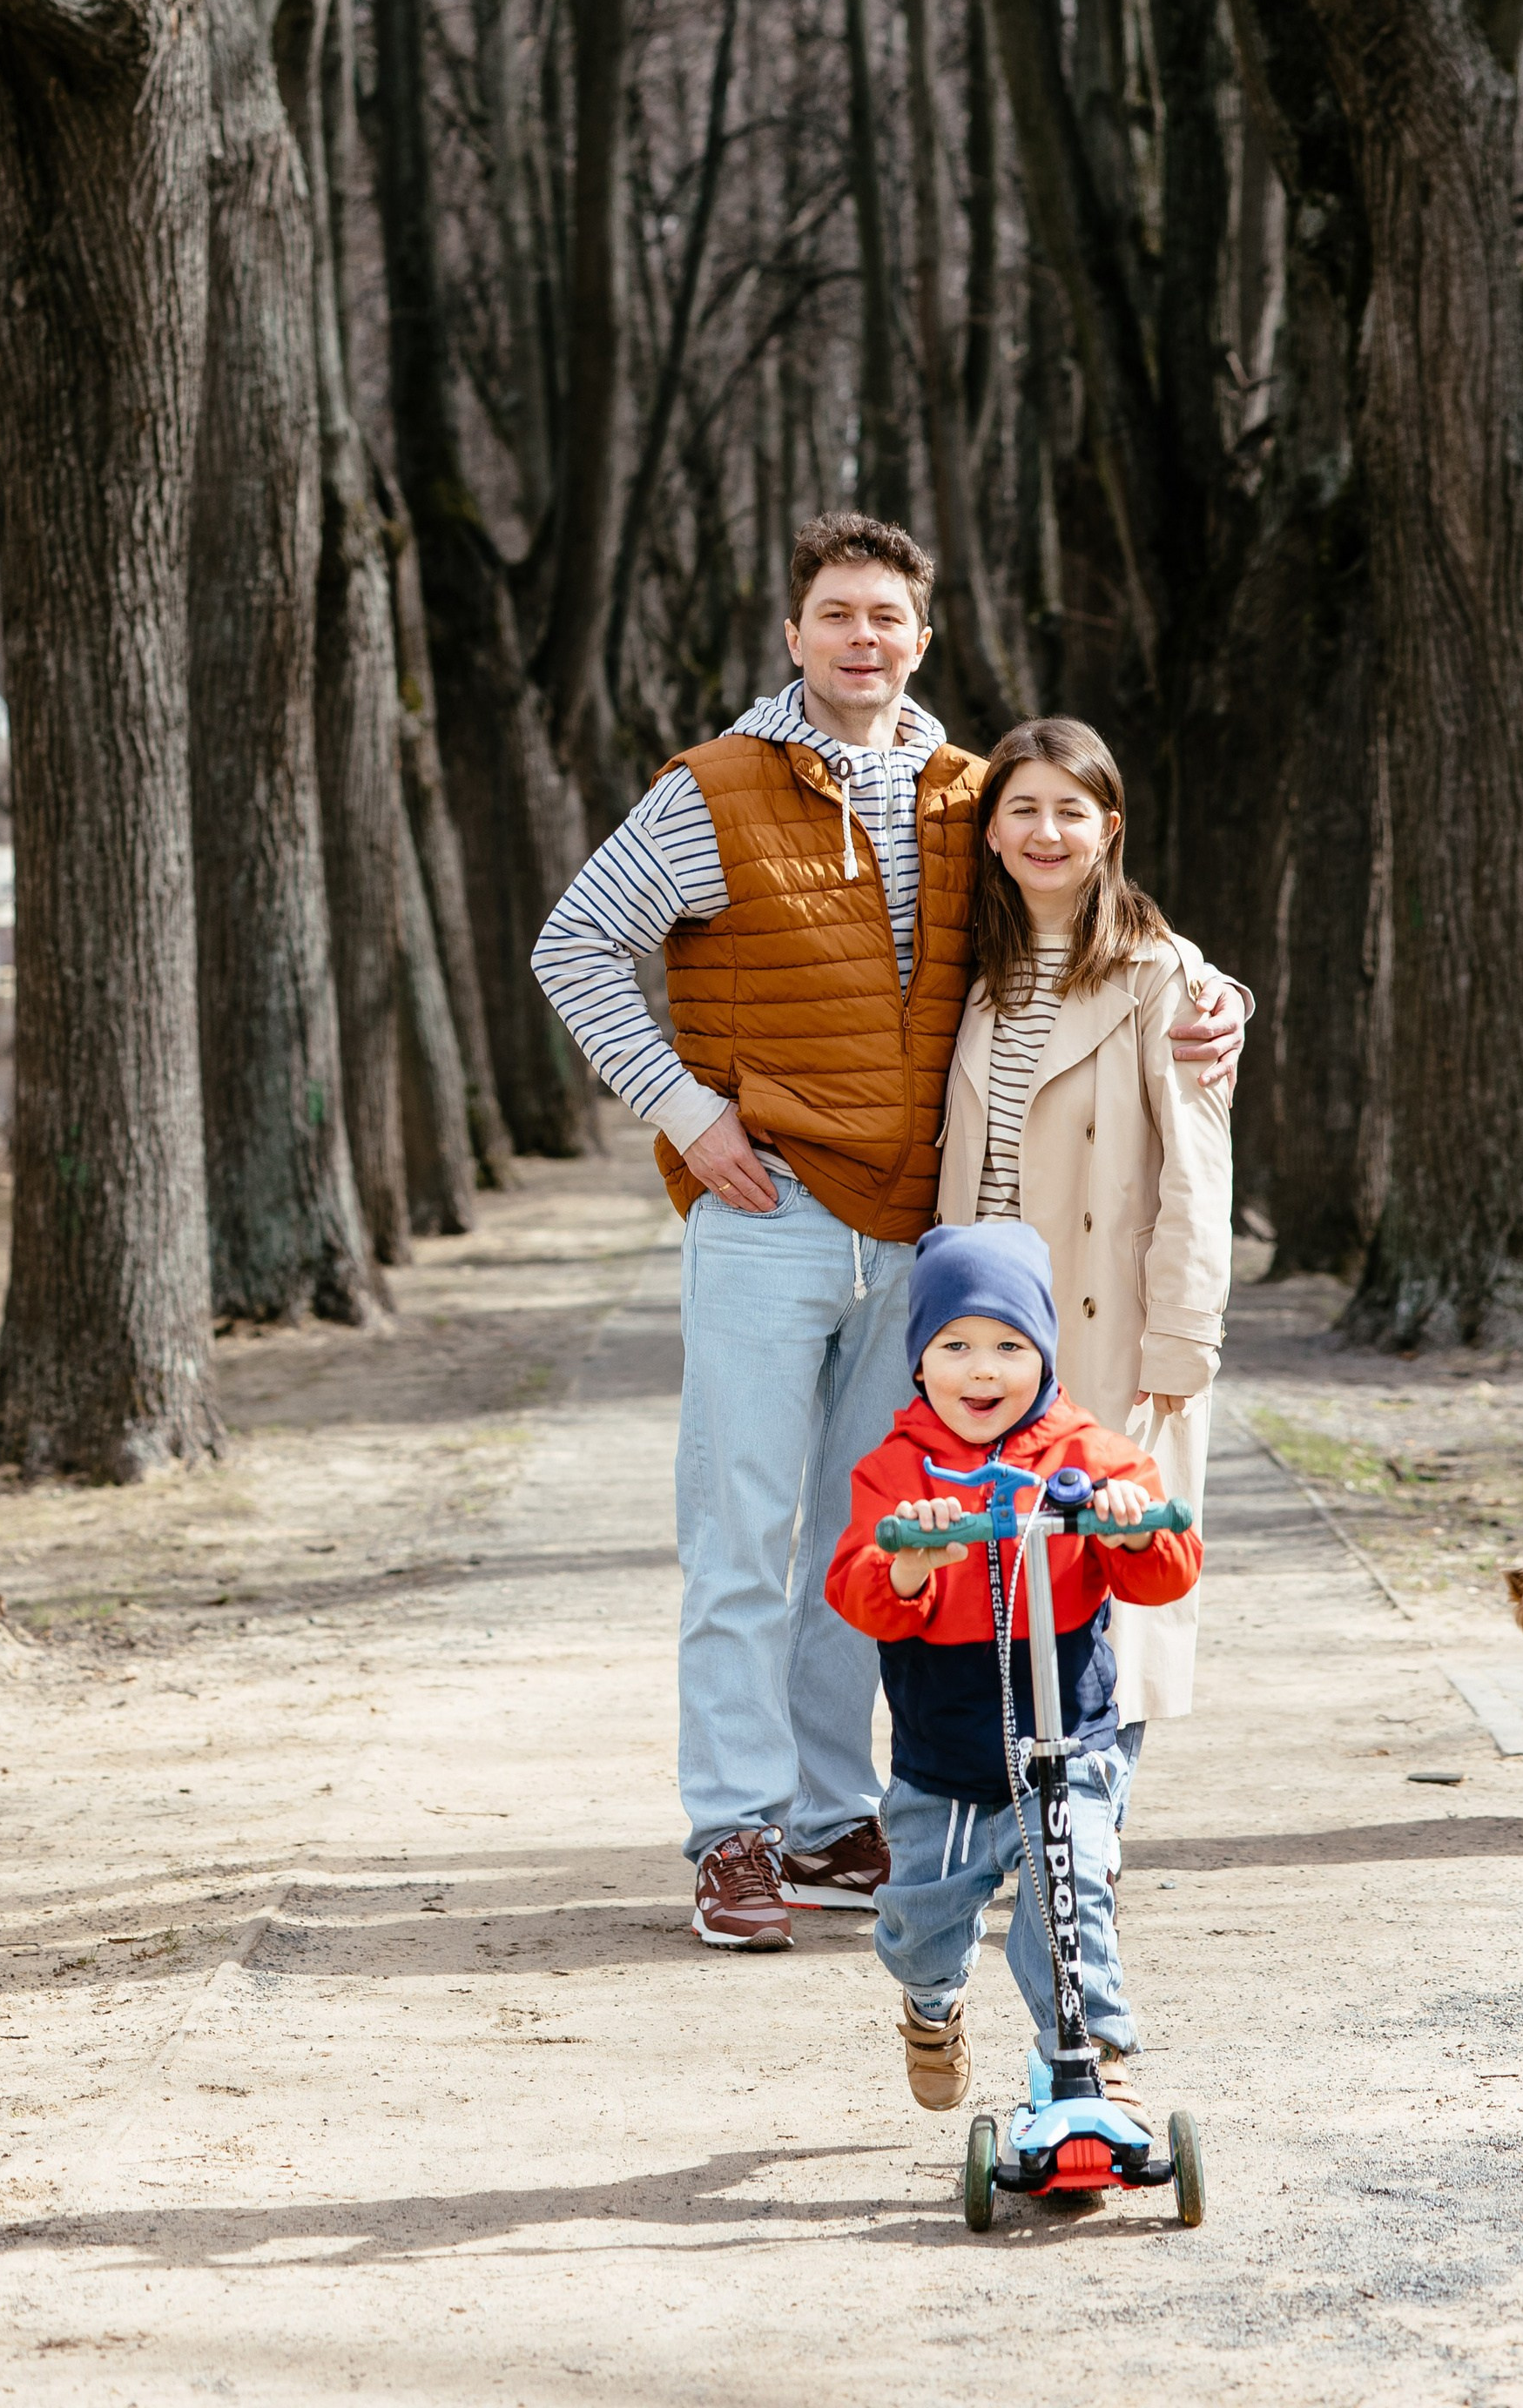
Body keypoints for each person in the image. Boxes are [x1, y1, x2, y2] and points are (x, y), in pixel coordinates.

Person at [529, 512, 1247, 1954]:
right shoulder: (711, 792)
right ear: (793, 633)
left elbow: (1084, 912)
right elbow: (573, 947)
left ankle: (826, 1815)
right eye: (837, 614)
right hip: (767, 1212)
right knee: (742, 1534)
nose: (863, 638)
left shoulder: (968, 794)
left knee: (875, 1533)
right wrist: (687, 1114)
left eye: (888, 617)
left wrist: (1217, 993)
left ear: (923, 638)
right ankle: (733, 1832)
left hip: (921, 1237)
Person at [826, 1220, 1201, 2111]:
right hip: (942, 1756)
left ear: (1045, 1353)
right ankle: (931, 2004)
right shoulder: (896, 1472)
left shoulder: (1092, 1457)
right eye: (955, 1346)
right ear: (919, 1360)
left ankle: (1090, 2066)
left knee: (1071, 1906)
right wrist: (909, 1564)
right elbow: (854, 1590)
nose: (982, 1372)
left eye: (1009, 1346)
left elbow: (1167, 1573)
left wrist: (1131, 1529)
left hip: (1066, 1743)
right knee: (919, 1926)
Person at [935, 719, 1232, 1775]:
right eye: (1022, 808)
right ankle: (1019, 1815)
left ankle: (1094, 1817)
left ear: (1109, 828)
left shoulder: (1163, 976)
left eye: (1070, 810)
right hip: (988, 1335)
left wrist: (1184, 1338)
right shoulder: (972, 970)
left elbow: (1198, 1169)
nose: (1045, 832)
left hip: (1107, 1323)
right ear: (991, 830)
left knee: (1112, 1573)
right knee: (999, 1574)